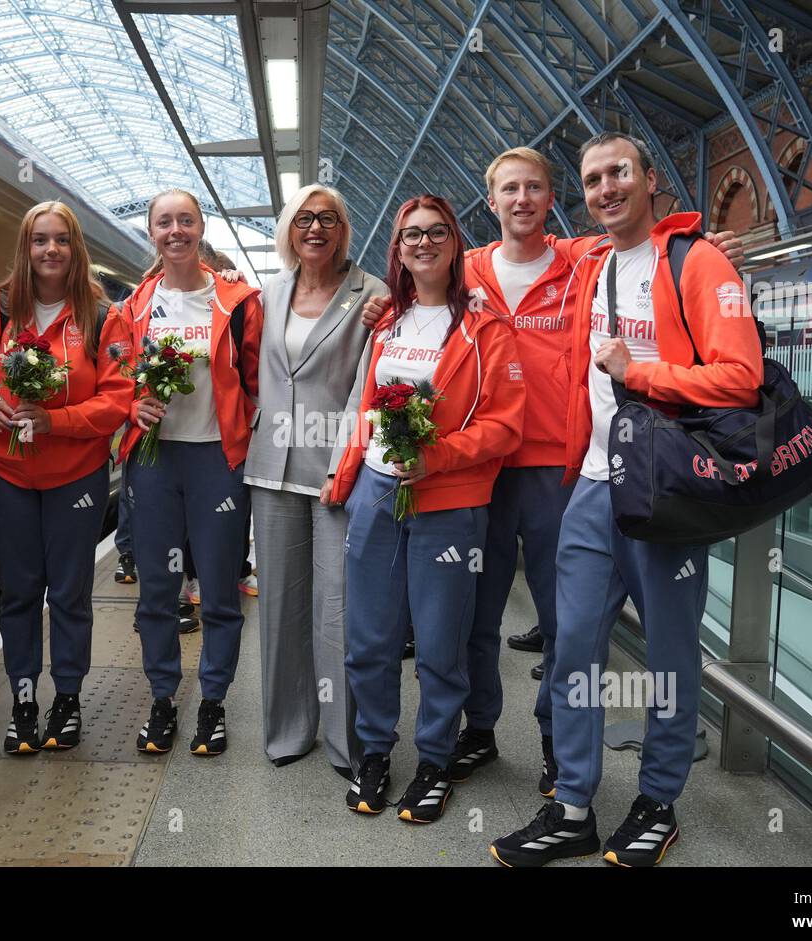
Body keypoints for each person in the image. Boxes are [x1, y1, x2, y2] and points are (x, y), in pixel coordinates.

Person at [362, 150, 745, 790]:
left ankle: (553, 742)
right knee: (473, 615)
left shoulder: (580, 260)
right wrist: (382, 310)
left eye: (534, 188)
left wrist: (708, 244)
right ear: (491, 203)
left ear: (549, 198)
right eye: (509, 189)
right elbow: (418, 300)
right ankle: (479, 729)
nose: (521, 199)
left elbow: (647, 239)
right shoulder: (470, 268)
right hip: (476, 465)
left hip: (555, 467)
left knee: (562, 622)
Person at [490, 132, 763, 867]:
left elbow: (741, 377)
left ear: (649, 179)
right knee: (572, 647)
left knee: (669, 656)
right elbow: (514, 252)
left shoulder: (697, 263)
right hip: (590, 487)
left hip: (665, 492)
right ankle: (573, 805)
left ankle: (657, 801)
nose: (606, 187)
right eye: (593, 179)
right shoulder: (592, 266)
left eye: (619, 173)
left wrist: (643, 374)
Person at [330, 194, 525, 823]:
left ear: (455, 243)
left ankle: (436, 759)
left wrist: (436, 458)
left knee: (442, 643)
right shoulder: (387, 321)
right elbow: (366, 404)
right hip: (377, 495)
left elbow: (506, 426)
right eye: (410, 235)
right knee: (370, 638)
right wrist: (356, 471)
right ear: (398, 249)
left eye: (436, 232)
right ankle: (375, 753)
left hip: (450, 504)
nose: (422, 243)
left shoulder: (485, 329)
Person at [0, 201, 133, 753]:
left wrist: (54, 421)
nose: (51, 251)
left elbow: (118, 401)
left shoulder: (103, 318)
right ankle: (22, 702)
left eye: (62, 240)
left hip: (76, 477)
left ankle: (66, 699)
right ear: (26, 247)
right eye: (40, 240)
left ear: (76, 248)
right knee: (17, 593)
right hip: (7, 476)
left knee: (69, 593)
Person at [243, 183, 386, 779]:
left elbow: (370, 385)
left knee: (336, 608)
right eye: (304, 219)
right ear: (288, 229)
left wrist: (345, 461)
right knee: (278, 605)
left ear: (343, 228)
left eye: (328, 218)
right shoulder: (269, 292)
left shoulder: (372, 294)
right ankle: (287, 729)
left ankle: (344, 739)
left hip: (336, 471)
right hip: (271, 467)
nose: (316, 229)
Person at [121, 189, 263, 757]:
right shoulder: (134, 305)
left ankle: (213, 703)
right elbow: (114, 382)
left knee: (220, 589)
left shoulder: (237, 299)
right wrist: (130, 404)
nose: (175, 230)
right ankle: (161, 699)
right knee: (157, 590)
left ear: (200, 229)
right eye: (164, 222)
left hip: (217, 459)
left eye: (186, 220)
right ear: (152, 233)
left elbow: (259, 375)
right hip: (155, 460)